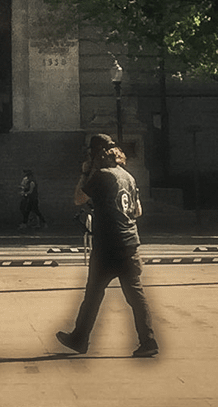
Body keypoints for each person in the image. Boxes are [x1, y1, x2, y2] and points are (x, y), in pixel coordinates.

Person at [57, 134, 158, 358]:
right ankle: (148, 340)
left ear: (97, 155)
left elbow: (79, 198)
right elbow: (138, 210)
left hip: (107, 247)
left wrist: (84, 173)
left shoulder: (101, 176)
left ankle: (79, 339)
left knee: (93, 294)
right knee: (136, 296)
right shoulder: (129, 177)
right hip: (130, 243)